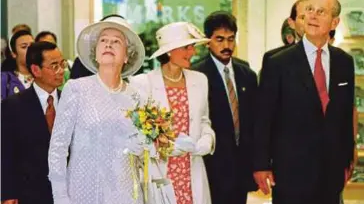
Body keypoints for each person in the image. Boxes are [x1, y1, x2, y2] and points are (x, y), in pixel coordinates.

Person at [254, 0, 355, 204]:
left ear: (334, 22)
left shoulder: (344, 62)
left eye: (321, 12)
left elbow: (345, 114)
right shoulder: (278, 63)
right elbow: (263, 118)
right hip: (291, 171)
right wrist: (261, 165)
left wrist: (348, 159)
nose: (313, 16)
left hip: (332, 172)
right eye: (310, 10)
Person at [48, 17, 146, 204]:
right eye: (103, 40)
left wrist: (142, 148)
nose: (108, 44)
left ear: (127, 55)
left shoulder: (136, 96)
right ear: (96, 52)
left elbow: (141, 151)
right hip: (84, 190)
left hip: (126, 192)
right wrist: (60, 195)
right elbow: (58, 147)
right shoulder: (76, 89)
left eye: (116, 41)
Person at [130, 22, 215, 204]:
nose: (192, 52)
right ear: (169, 51)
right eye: (187, 47)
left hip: (192, 170)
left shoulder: (200, 80)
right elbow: (135, 133)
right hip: (160, 172)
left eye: (192, 47)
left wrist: (207, 140)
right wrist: (160, 147)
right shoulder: (143, 83)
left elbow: (204, 120)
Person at [192, 11, 258, 204]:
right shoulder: (197, 75)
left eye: (231, 39)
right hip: (212, 165)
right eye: (219, 39)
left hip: (241, 167)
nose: (227, 46)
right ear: (207, 41)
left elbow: (254, 121)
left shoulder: (247, 74)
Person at [1, 41, 66, 204]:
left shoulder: (71, 101)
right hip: (30, 193)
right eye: (54, 66)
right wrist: (7, 194)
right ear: (36, 70)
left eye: (62, 64)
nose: (61, 71)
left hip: (67, 192)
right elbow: (6, 153)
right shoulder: (14, 105)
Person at [70, 14, 126, 79]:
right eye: (104, 40)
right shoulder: (81, 64)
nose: (109, 45)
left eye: (116, 41)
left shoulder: (132, 82)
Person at [261, 0, 309, 69]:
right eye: (303, 18)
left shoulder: (330, 55)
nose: (310, 22)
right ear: (291, 23)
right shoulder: (273, 59)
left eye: (314, 18)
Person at [1, 30, 34, 99]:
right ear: (14, 54)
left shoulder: (45, 76)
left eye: (33, 45)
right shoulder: (4, 79)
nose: (30, 49)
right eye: (24, 47)